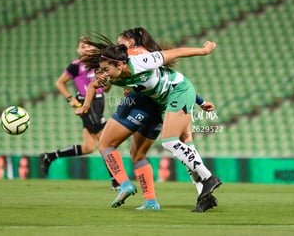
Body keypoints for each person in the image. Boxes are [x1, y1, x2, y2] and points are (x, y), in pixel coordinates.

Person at [78, 32, 221, 211]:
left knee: (170, 142)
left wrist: (204, 51)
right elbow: (93, 85)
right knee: (184, 145)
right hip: (164, 100)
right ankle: (204, 194)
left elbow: (174, 54)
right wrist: (85, 106)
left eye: (106, 69)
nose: (103, 74)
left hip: (179, 91)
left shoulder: (141, 61)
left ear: (121, 64)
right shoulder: (112, 74)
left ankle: (208, 178)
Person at [40, 37, 119, 190]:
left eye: (89, 46)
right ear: (78, 50)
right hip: (86, 105)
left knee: (89, 147)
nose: (87, 49)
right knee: (106, 143)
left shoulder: (99, 65)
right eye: (83, 46)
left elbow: (106, 89)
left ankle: (49, 156)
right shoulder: (76, 66)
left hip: (99, 103)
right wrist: (70, 98)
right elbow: (59, 82)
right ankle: (116, 180)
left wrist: (107, 82)